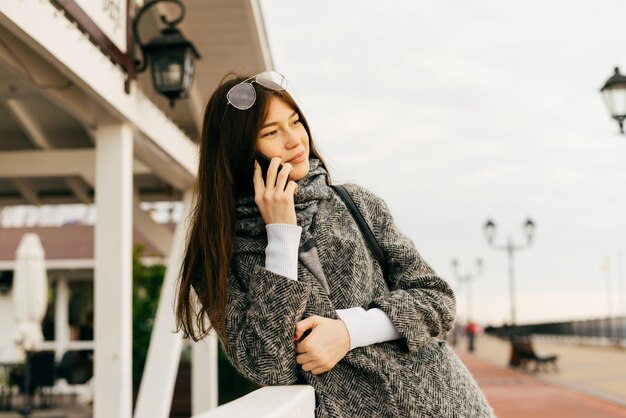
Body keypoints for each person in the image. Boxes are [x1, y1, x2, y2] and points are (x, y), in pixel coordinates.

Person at [175, 71, 495, 417]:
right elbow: (269, 365)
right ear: (240, 151)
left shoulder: (355, 203)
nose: (294, 140)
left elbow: (437, 299)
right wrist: (281, 234)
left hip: (444, 404)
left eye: (295, 122)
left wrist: (349, 331)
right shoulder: (218, 256)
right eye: (271, 132)